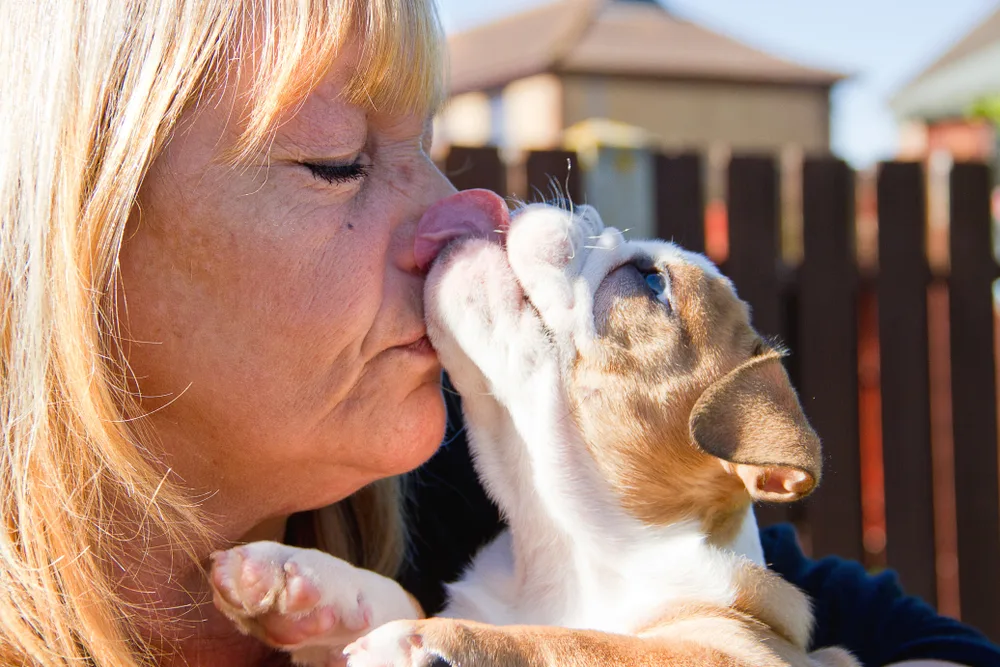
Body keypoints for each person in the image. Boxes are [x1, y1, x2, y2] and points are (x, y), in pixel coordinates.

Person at [0, 1, 996, 665]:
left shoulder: (473, 506)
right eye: (336, 159)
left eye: (428, 146)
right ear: (74, 240)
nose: (461, 211)